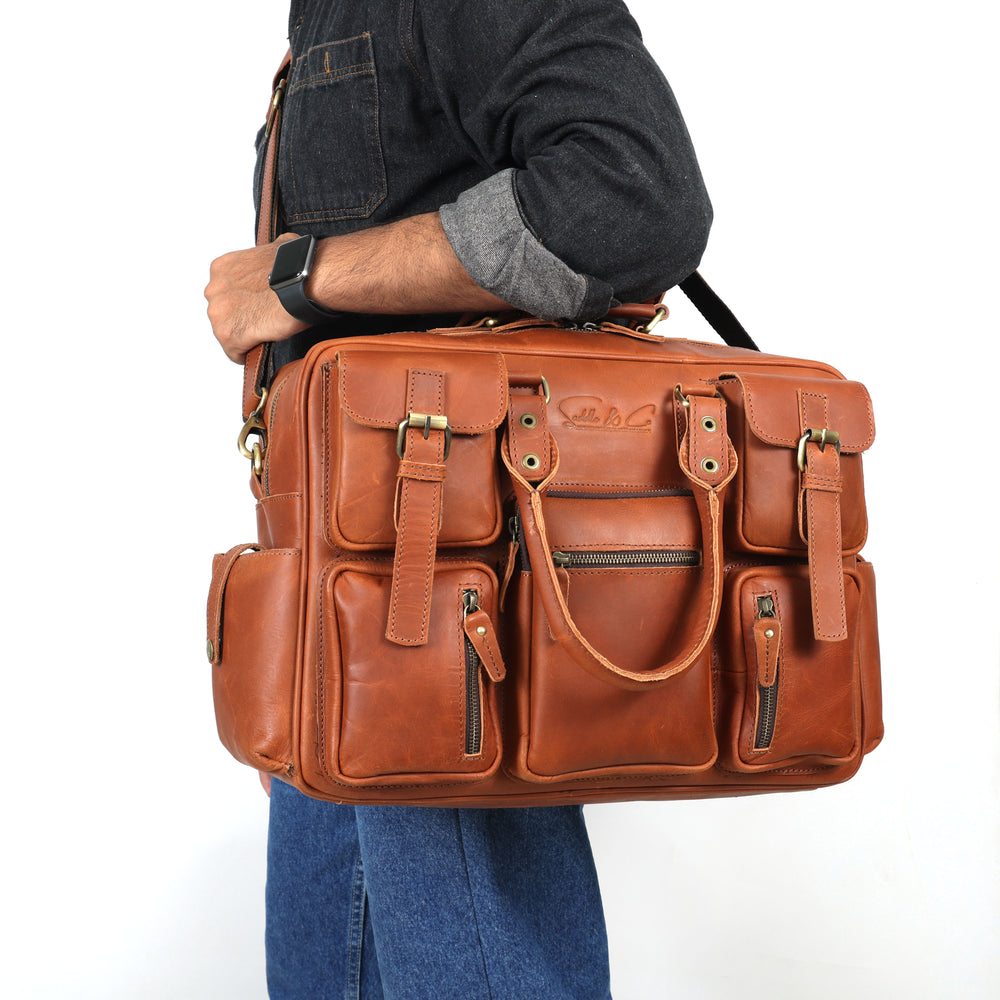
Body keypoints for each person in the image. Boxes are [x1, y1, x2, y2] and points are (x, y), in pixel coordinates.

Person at [205, 2, 712, 997]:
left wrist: (299, 276)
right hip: (339, 616)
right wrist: (297, 651)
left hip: (453, 607)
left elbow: (633, 197)